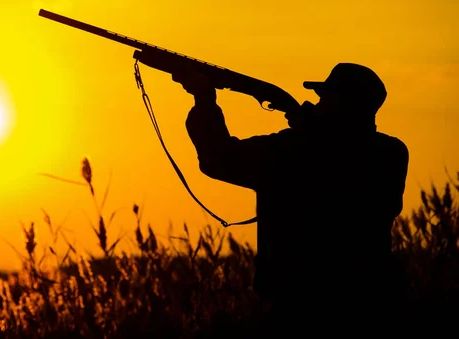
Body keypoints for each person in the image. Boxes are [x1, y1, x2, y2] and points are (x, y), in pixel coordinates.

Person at [172, 63, 409, 332]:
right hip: (370, 308)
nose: (316, 104)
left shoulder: (294, 150)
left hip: (298, 310)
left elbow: (219, 159)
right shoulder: (390, 153)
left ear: (343, 105)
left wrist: (204, 99)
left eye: (325, 99)